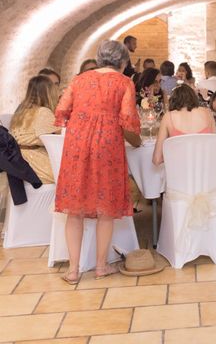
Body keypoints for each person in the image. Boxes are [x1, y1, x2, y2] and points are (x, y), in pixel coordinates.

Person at [54, 40, 141, 283]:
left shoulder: (79, 79)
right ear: (123, 62)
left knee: (74, 207)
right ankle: (101, 267)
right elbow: (128, 120)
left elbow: (61, 110)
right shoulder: (124, 82)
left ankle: (73, 270)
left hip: (78, 141)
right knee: (106, 208)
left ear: (100, 58)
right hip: (107, 144)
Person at [10, 75, 61, 183]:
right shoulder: (43, 112)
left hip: (18, 163)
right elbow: (58, 139)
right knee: (68, 175)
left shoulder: (20, 111)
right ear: (48, 93)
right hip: (37, 164)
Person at [152, 85, 216, 165]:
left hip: (179, 174)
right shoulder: (207, 113)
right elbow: (215, 147)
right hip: (207, 171)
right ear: (194, 97)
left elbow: (156, 160)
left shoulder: (168, 116)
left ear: (172, 100)